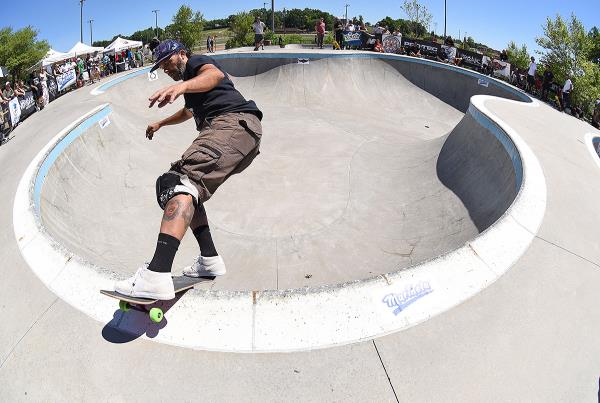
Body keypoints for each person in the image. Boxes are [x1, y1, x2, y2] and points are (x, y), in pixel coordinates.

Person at [114, 40, 264, 299]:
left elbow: (214, 75)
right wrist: (160, 123)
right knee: (181, 186)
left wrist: (181, 85)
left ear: (181, 54)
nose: (167, 70)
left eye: (168, 63)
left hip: (231, 125)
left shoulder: (196, 63)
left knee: (179, 184)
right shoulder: (194, 89)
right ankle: (209, 259)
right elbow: (187, 112)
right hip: (238, 134)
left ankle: (156, 274)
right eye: (161, 68)